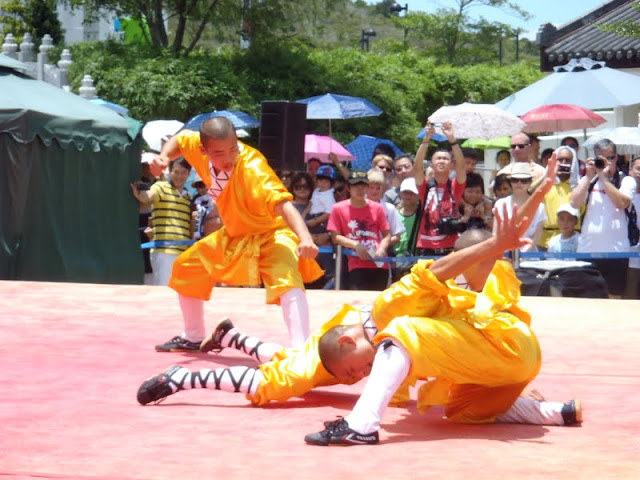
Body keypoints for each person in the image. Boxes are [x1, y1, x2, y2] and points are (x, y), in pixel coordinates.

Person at [305, 155, 583, 447]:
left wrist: (504, 233)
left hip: (508, 348)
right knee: (462, 409)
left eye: (351, 371)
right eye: (355, 378)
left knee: (402, 330)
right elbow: (508, 233)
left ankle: (360, 425)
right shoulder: (473, 280)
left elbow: (439, 270)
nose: (361, 375)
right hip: (510, 357)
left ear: (347, 342)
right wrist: (540, 192)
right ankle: (555, 412)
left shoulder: (388, 308)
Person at [148, 117, 321, 351]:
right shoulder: (197, 146)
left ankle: (302, 351)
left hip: (272, 233)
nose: (228, 158)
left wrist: (306, 238)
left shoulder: (253, 167)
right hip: (234, 235)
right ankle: (193, 336)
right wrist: (164, 156)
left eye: (233, 148)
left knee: (287, 279)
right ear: (203, 150)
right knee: (187, 266)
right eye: (219, 153)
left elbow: (283, 204)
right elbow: (179, 139)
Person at [136, 304, 379, 407]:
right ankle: (183, 378)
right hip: (355, 332)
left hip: (361, 335)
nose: (358, 376)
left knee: (294, 361)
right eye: (353, 372)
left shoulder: (362, 350)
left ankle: (230, 337)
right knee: (288, 379)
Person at [570, 138, 636, 299]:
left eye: (610, 158)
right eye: (601, 158)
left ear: (616, 157)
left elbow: (622, 203)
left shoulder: (626, 180)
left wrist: (604, 178)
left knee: (613, 298)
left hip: (616, 253)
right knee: (586, 298)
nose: (606, 162)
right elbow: (574, 203)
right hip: (587, 251)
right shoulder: (589, 180)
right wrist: (588, 176)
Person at [131, 157, 193, 286]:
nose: (179, 176)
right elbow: (148, 196)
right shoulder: (161, 186)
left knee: (180, 291)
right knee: (164, 291)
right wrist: (140, 194)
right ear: (170, 172)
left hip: (183, 252)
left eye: (183, 172)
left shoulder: (188, 197)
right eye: (176, 172)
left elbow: (188, 225)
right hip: (164, 252)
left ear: (188, 174)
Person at [327, 170, 391, 291]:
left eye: (363, 185)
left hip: (379, 263)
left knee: (378, 299)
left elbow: (387, 235)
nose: (360, 189)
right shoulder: (338, 208)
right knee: (358, 298)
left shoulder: (378, 208)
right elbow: (335, 237)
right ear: (348, 187)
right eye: (355, 185)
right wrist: (356, 245)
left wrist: (382, 249)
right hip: (356, 263)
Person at [413, 121, 466, 256]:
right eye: (438, 158)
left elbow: (461, 167)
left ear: (451, 165)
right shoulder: (426, 186)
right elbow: (417, 168)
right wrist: (426, 139)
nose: (442, 161)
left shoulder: (455, 187)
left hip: (449, 247)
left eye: (445, 159)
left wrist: (452, 140)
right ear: (431, 164)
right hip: (426, 247)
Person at [494, 163, 546, 252]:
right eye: (515, 180)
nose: (519, 183)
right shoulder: (500, 204)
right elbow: (495, 234)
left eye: (524, 180)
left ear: (530, 182)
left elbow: (536, 237)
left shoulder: (540, 207)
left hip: (529, 255)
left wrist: (522, 253)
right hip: (504, 254)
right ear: (510, 182)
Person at [538, 146, 581, 250]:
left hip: (573, 243)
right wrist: (548, 175)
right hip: (545, 242)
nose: (563, 163)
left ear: (573, 163)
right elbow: (529, 194)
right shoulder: (545, 184)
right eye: (560, 160)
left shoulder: (580, 187)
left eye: (567, 160)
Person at [625, 156, 640, 299]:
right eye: (638, 169)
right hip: (629, 253)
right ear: (630, 170)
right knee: (630, 293)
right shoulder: (623, 194)